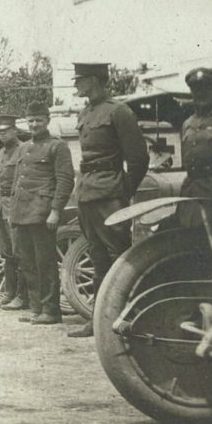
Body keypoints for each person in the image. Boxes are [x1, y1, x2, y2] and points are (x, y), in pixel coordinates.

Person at [69, 62, 149, 337]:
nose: (75, 83)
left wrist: (123, 191)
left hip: (109, 191)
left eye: (79, 79)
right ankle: (99, 320)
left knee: (119, 256)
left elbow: (138, 158)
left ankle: (130, 317)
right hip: (88, 191)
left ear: (94, 80)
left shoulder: (119, 111)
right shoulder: (86, 112)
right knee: (97, 255)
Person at [12, 102, 75, 325]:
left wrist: (55, 211)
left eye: (38, 120)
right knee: (27, 262)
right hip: (22, 212)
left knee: (45, 263)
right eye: (30, 121)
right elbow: (17, 182)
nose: (34, 124)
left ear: (47, 120)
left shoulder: (57, 147)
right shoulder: (24, 147)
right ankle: (36, 308)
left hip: (42, 212)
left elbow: (65, 181)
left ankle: (51, 310)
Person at [0, 114, 28, 310]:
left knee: (19, 252)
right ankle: (10, 293)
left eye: (5, 131)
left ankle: (22, 296)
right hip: (2, 205)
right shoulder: (2, 152)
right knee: (6, 253)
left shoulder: (23, 149)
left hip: (16, 204)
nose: (2, 134)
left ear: (15, 130)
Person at [177, 68, 212, 229]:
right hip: (191, 195)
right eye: (196, 90)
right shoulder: (188, 124)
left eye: (206, 89)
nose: (200, 94)